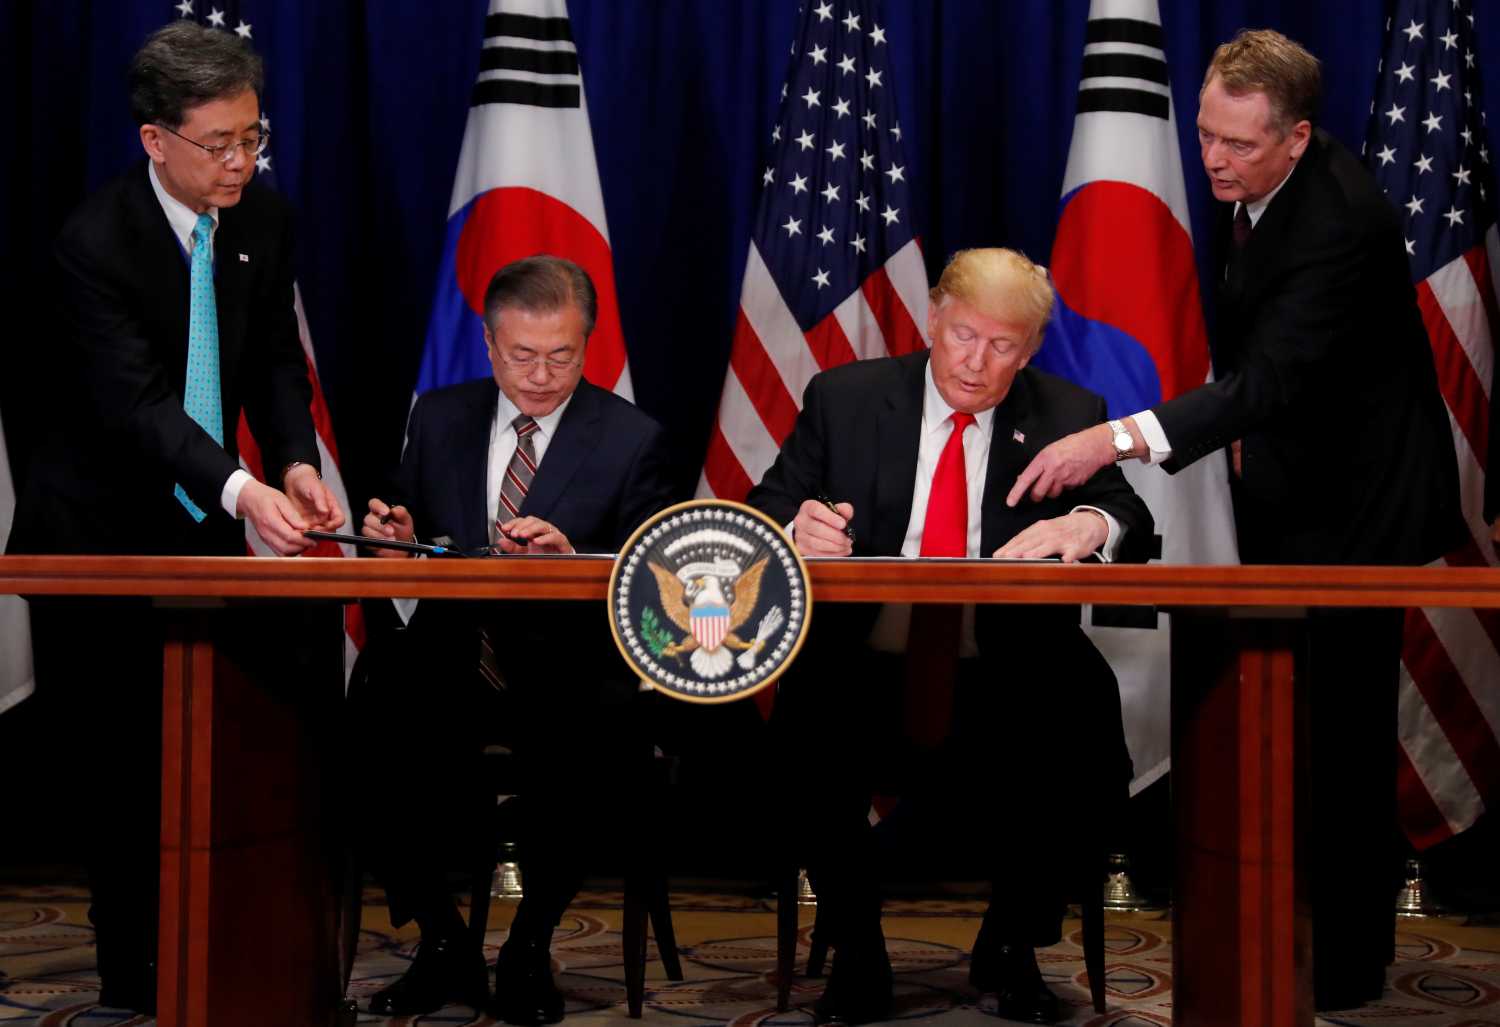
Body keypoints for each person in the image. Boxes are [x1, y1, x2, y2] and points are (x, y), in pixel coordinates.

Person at [1007, 29, 1461, 1011]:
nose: (1213, 159)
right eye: (1207, 134)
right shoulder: (1259, 187)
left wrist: (1111, 441)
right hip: (1296, 485)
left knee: (1338, 739)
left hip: (1359, 514)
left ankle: (1341, 967)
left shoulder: (1338, 220)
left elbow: (1267, 379)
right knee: (1291, 731)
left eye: (1239, 146)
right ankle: (1297, 937)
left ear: (1296, 139)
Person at [7, 21, 343, 1016]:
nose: (242, 159)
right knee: (124, 779)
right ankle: (133, 983)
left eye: (253, 136)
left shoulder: (261, 220)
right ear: (156, 140)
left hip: (203, 534)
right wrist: (248, 492)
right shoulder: (91, 242)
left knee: (245, 755)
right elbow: (138, 408)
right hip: (94, 542)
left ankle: (235, 959)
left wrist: (292, 457)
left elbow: (277, 359)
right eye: (220, 143)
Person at [746, 247, 1153, 1025]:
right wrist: (798, 527)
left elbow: (1129, 516)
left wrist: (1086, 521)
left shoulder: (1067, 412)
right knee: (800, 724)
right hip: (865, 655)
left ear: (1030, 349)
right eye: (964, 334)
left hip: (1006, 662)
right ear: (933, 318)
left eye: (1003, 345)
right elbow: (768, 506)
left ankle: (1011, 944)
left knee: (1087, 730)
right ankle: (858, 954)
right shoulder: (847, 398)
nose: (977, 360)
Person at [355, 255, 686, 1024]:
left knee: (587, 735)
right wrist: (395, 534)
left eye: (561, 355)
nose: (540, 373)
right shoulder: (439, 416)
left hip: (569, 664)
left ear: (588, 343)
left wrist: (573, 565)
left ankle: (529, 945)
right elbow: (407, 521)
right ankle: (443, 942)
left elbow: (655, 583)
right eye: (521, 355)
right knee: (370, 713)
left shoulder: (632, 438)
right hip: (453, 658)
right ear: (488, 342)